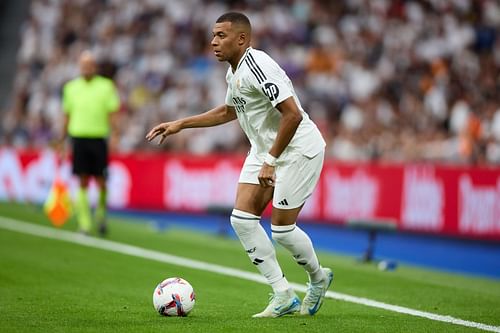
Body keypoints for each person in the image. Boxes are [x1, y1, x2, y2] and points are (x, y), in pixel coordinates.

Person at [146, 12, 333, 318]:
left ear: (242, 39)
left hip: (298, 148)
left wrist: (271, 161)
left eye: (221, 35)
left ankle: (318, 278)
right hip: (264, 149)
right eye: (213, 35)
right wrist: (181, 124)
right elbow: (228, 111)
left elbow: (293, 114)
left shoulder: (259, 66)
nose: (213, 42)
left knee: (283, 231)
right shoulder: (234, 73)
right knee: (242, 220)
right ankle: (283, 293)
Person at [60, 50, 119, 236]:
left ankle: (101, 214)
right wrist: (62, 140)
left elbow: (113, 114)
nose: (86, 68)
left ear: (95, 67)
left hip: (98, 138)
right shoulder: (70, 88)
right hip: (78, 138)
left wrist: (115, 135)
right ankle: (84, 224)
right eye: (83, 65)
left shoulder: (106, 86)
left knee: (101, 181)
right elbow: (66, 116)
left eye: (90, 65)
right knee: (83, 180)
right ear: (80, 67)